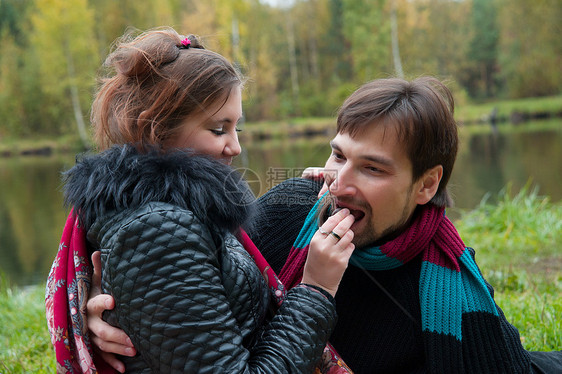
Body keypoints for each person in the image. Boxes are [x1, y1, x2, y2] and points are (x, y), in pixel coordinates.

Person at [87, 77, 562, 373]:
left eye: (373, 169)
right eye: (338, 155)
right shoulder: (294, 208)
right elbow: (182, 278)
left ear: (425, 185)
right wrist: (107, 308)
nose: (339, 182)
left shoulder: (449, 286)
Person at [45, 27, 359, 374]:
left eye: (236, 128)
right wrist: (315, 290)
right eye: (218, 129)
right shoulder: (158, 231)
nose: (235, 148)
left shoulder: (177, 214)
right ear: (157, 129)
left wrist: (303, 197)